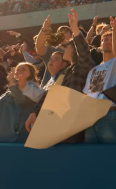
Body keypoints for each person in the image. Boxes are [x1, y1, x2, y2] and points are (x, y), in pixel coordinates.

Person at [25, 9, 96, 139]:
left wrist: (75, 29)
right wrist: (34, 112)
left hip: (74, 122)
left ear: (74, 50)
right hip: (58, 119)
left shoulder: (82, 68)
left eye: (67, 47)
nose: (64, 51)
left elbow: (84, 52)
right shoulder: (63, 72)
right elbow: (50, 94)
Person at [82, 16, 116, 143]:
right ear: (100, 45)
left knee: (113, 156)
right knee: (91, 157)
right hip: (91, 117)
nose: (108, 42)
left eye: (111, 40)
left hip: (111, 116)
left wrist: (114, 29)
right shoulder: (93, 70)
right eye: (105, 39)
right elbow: (86, 95)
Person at [0, 62, 44, 143]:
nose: (19, 71)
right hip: (2, 136)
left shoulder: (31, 86)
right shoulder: (12, 88)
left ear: (31, 73)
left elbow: (21, 100)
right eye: (17, 69)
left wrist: (12, 83)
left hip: (17, 136)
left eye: (24, 69)